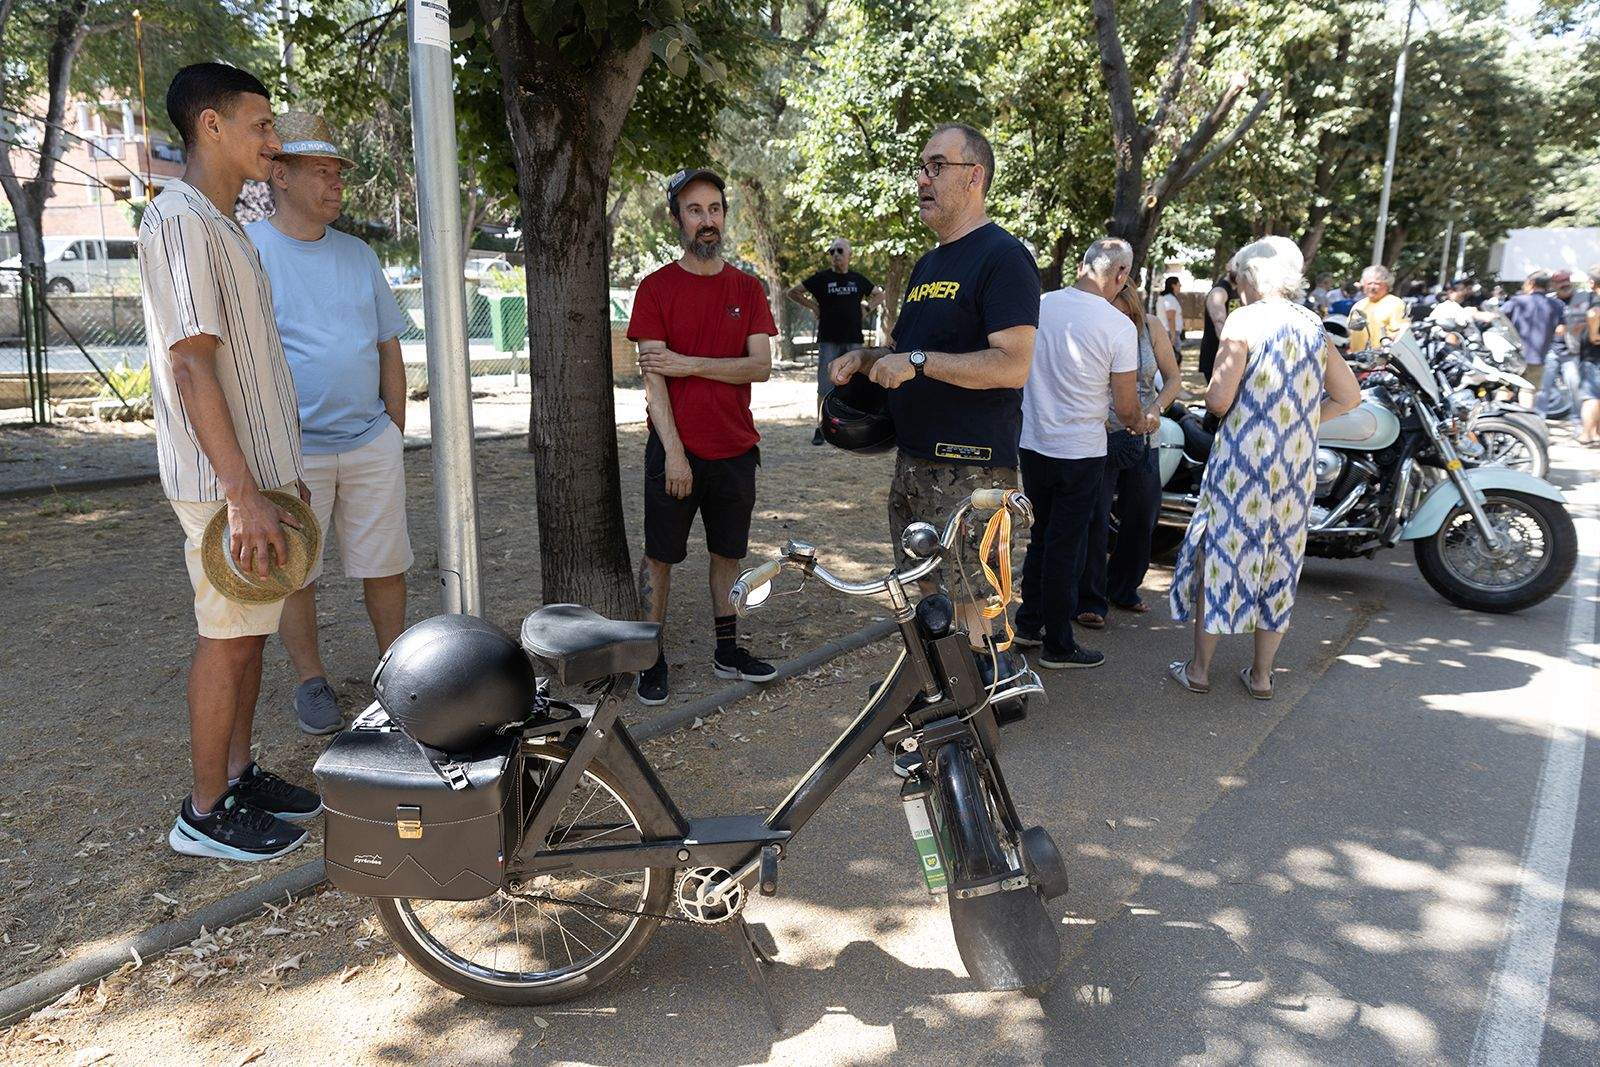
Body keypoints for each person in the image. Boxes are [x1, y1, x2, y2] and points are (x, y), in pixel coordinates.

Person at [140, 63, 321, 861]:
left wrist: (278, 475)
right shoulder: (179, 221)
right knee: (228, 635)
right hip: (225, 484)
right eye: (261, 124)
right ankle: (205, 810)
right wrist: (243, 491)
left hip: (255, 478)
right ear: (210, 125)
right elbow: (191, 365)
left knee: (251, 631)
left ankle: (239, 775)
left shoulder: (221, 222)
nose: (273, 141)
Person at [827, 122, 1039, 663]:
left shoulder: (1003, 256)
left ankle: (988, 696)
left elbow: (1013, 365)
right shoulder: (928, 263)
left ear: (974, 176)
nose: (923, 179)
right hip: (914, 462)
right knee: (925, 592)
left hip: (973, 471)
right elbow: (905, 351)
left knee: (975, 601)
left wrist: (918, 362)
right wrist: (866, 359)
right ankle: (945, 690)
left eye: (937, 166)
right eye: (921, 167)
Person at [246, 112, 412, 735]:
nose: (336, 182)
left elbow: (389, 347)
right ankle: (311, 680)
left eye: (338, 171)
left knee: (385, 564)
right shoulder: (249, 250)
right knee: (298, 572)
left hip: (369, 441)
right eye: (321, 170)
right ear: (280, 175)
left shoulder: (359, 254)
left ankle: (396, 675)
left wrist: (393, 430)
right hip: (292, 453)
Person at [1168, 236, 1361, 698]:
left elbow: (1218, 399)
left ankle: (1199, 671)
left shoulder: (1245, 319)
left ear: (1252, 276)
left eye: (1238, 278)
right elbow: (1349, 396)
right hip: (1294, 465)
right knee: (1280, 562)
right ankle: (1261, 676)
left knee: (1223, 557)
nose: (1236, 287)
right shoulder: (1312, 324)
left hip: (1243, 461)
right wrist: (1300, 420)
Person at [627, 167, 780, 706]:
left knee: (727, 554)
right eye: (695, 210)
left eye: (714, 208)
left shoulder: (748, 288)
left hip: (735, 448)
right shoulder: (656, 289)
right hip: (676, 450)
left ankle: (727, 651)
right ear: (677, 219)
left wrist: (687, 362)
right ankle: (649, 659)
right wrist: (674, 453)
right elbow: (654, 380)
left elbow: (760, 366)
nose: (707, 219)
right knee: (660, 557)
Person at [1009, 237, 1146, 669]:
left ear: (1084, 265)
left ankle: (1029, 623)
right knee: (1065, 545)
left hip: (1034, 442)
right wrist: (1141, 422)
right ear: (1120, 274)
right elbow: (1126, 407)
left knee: (1042, 536)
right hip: (1080, 450)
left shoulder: (1040, 306)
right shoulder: (1118, 326)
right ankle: (1058, 643)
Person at [1076, 281, 1183, 627]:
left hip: (1144, 434)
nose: (1117, 318)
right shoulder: (1092, 324)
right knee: (1095, 517)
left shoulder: (1151, 327)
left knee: (1143, 514)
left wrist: (1156, 408)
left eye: (1124, 312)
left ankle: (1124, 587)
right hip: (1100, 434)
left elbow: (1173, 379)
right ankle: (1090, 598)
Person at [787, 239, 884, 445]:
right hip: (828, 340)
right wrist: (813, 306)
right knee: (825, 384)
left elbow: (879, 294)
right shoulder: (822, 278)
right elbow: (793, 292)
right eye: (831, 251)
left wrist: (867, 308)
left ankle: (854, 426)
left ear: (850, 255)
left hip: (854, 341)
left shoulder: (857, 279)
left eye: (840, 250)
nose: (835, 255)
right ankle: (820, 428)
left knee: (856, 384)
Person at [1500, 271, 1565, 400]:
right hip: (1538, 358)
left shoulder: (1517, 301)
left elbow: (1495, 316)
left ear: (1531, 283)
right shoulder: (1557, 305)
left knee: (1505, 389)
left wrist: (1474, 313)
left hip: (1513, 357)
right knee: (1528, 392)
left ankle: (1499, 413)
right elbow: (1561, 330)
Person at [1347, 265, 1409, 352]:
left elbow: (1399, 335)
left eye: (1377, 284)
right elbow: (1351, 333)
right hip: (1356, 357)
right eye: (1369, 283)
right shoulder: (1359, 305)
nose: (1372, 287)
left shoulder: (1395, 304)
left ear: (1387, 285)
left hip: (1380, 357)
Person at [1198, 270, 1238, 380]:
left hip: (1231, 359)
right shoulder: (1219, 291)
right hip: (1216, 358)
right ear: (1228, 267)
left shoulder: (1238, 291)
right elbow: (1220, 329)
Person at [1579, 294, 1600, 446]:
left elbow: (1593, 314)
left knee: (1591, 397)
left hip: (1593, 358)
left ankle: (1587, 434)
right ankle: (1594, 433)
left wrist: (1593, 334)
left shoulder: (1596, 302)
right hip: (1593, 357)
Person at [1157, 276, 1184, 353]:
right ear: (1173, 285)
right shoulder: (1170, 298)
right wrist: (1173, 335)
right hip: (1170, 332)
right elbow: (1170, 318)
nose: (1180, 286)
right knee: (1174, 356)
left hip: (1167, 331)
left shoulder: (1164, 297)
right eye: (1178, 284)